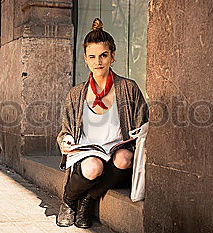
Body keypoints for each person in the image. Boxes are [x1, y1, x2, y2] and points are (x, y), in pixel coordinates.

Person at [56, 18, 149, 229]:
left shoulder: (128, 88)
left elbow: (143, 122)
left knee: (126, 158)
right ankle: (69, 201)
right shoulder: (76, 94)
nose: (98, 61)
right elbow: (66, 131)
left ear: (112, 56)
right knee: (92, 167)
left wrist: (139, 133)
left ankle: (88, 199)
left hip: (117, 150)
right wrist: (66, 141)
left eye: (103, 55)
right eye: (92, 57)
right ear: (85, 59)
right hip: (88, 151)